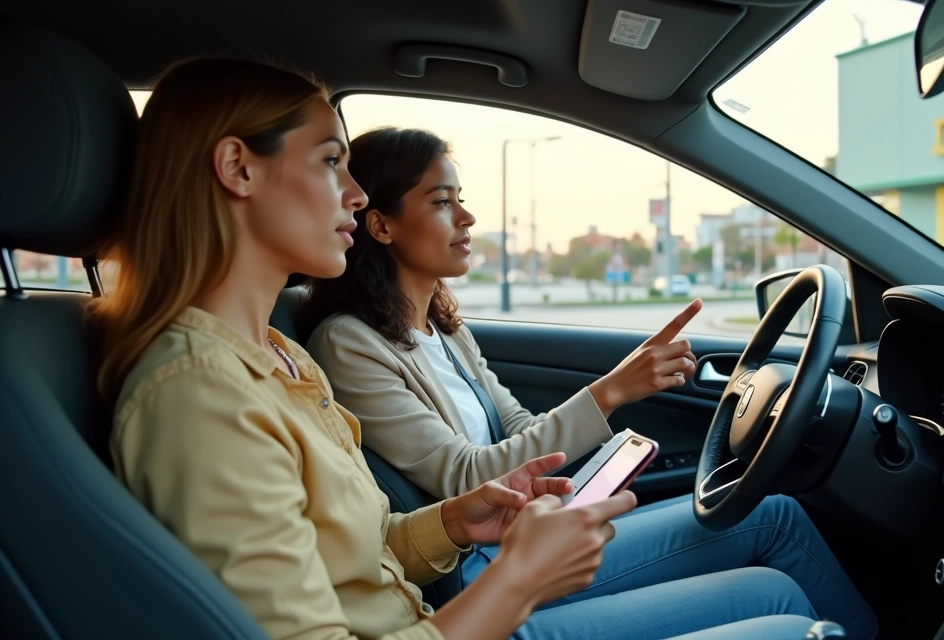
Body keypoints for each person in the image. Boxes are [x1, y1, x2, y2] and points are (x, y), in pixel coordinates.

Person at [92, 57, 824, 640]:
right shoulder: (201, 392)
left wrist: (451, 522)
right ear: (238, 168)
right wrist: (517, 580)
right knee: (790, 618)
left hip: (430, 614)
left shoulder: (281, 355)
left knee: (778, 590)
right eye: (328, 161)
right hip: (457, 613)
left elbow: (359, 548)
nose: (353, 195)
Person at [302, 127, 878, 639]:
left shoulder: (444, 330)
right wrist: (610, 391)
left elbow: (521, 430)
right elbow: (465, 474)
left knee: (777, 515)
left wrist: (598, 460)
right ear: (380, 225)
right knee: (777, 588)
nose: (467, 218)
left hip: (526, 531)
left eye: (462, 200)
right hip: (483, 568)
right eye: (441, 202)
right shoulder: (348, 342)